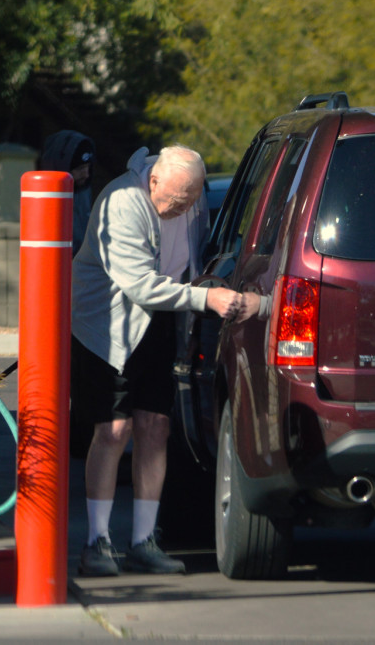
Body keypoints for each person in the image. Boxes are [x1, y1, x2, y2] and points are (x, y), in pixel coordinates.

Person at [71, 144, 243, 576]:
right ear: (152, 181)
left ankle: (144, 540)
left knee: (156, 425)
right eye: (174, 200)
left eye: (189, 200)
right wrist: (207, 297)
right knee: (112, 430)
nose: (182, 208)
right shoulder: (121, 201)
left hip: (158, 321)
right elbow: (142, 287)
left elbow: (195, 254)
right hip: (107, 327)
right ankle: (96, 543)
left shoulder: (189, 196)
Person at [37, 130, 96, 254]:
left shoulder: (83, 191)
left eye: (88, 167)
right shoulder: (44, 198)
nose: (86, 174)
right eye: (79, 169)